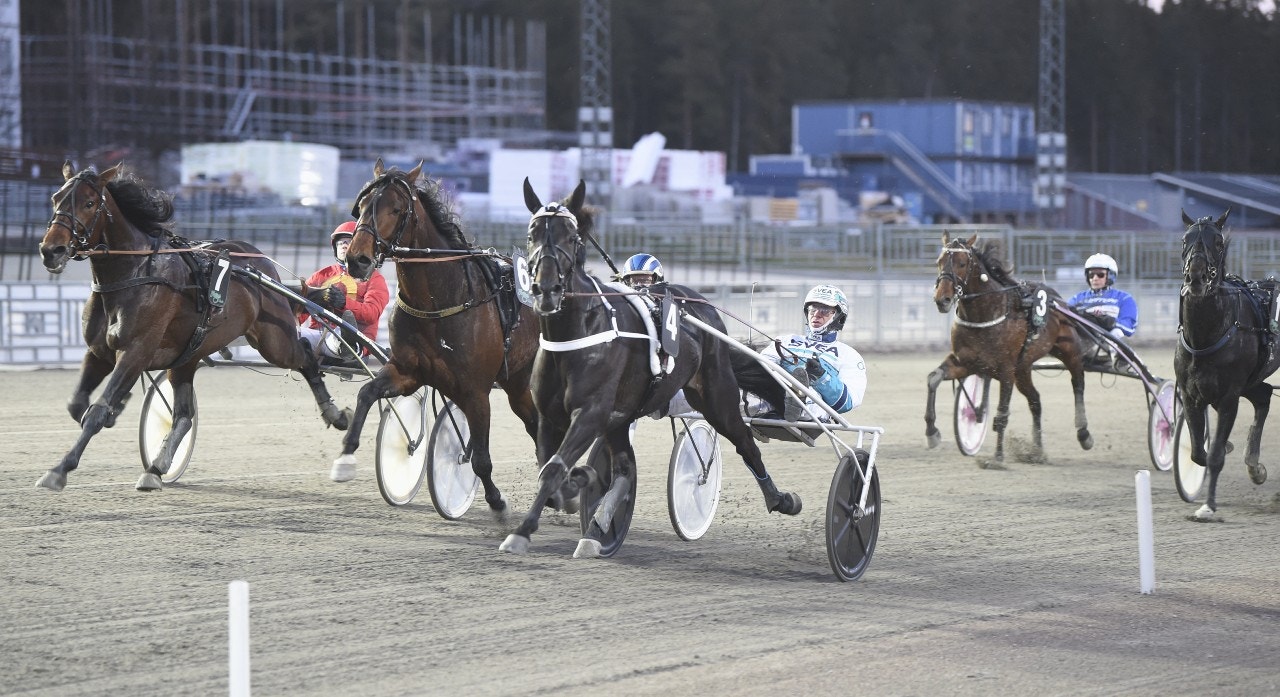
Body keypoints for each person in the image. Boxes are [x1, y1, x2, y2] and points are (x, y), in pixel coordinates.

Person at [757, 284, 867, 421]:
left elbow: (848, 402)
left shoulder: (850, 355)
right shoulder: (784, 341)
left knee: (811, 394)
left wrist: (822, 377)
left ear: (839, 316)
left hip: (813, 408)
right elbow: (760, 367)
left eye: (824, 310)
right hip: (771, 392)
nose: (816, 314)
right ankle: (785, 398)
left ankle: (794, 401)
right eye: (813, 309)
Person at [298, 221, 390, 362]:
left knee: (342, 335)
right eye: (341, 243)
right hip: (317, 335)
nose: (344, 245)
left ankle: (346, 340)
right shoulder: (321, 275)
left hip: (355, 339)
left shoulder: (374, 278)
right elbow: (301, 306)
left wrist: (343, 304)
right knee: (287, 330)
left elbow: (371, 314)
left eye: (349, 241)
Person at [1068, 253, 1137, 342]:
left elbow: (1129, 327)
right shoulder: (1076, 299)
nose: (1095, 278)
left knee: (1117, 332)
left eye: (1100, 274)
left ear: (1110, 276)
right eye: (1091, 275)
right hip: (1082, 341)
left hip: (1110, 342)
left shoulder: (1124, 298)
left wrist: (1109, 321)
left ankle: (1110, 355)